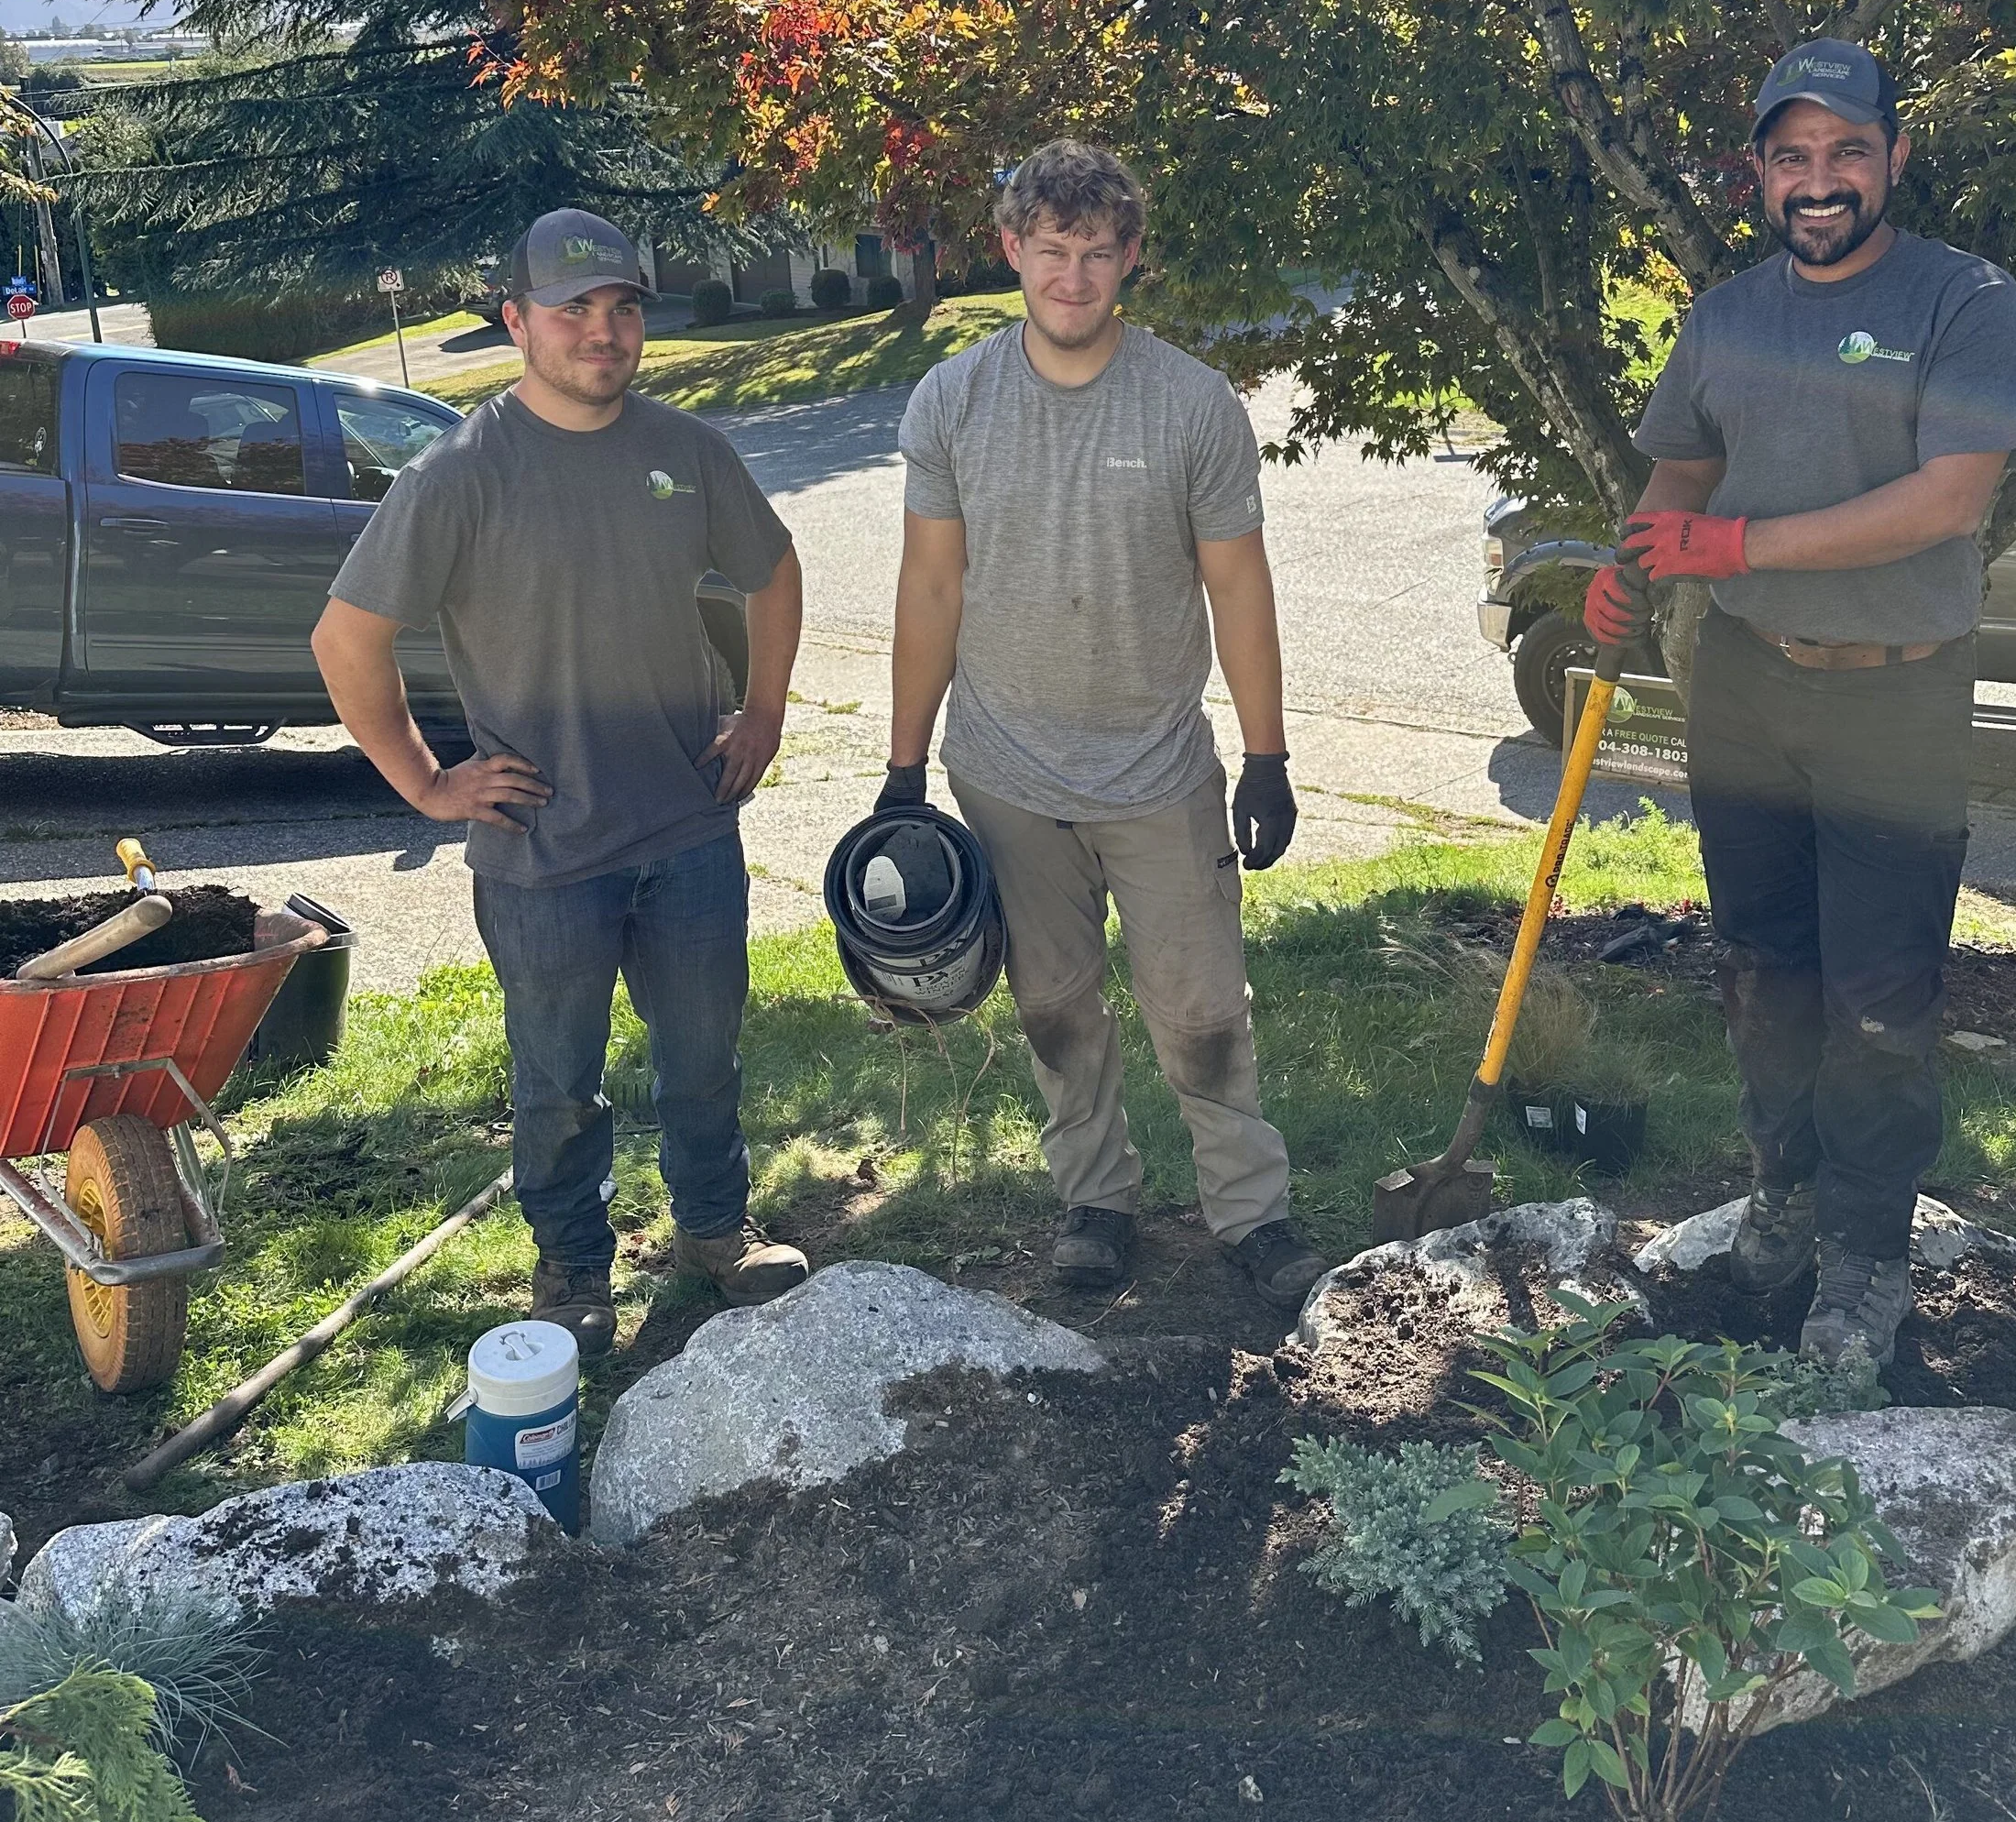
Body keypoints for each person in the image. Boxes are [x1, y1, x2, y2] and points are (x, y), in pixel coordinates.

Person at [1586, 41, 2016, 1370]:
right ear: (1758, 174)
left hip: (1895, 701)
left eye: (1848, 152)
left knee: (1877, 996)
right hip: (1743, 687)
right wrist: (1638, 567)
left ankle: (1865, 1260)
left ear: (1894, 158)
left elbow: (1949, 499)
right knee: (1763, 969)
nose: (1820, 180)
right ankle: (1783, 1195)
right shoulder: (1729, 314)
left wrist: (1734, 549)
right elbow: (1678, 474)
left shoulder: (1963, 299)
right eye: (1793, 157)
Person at [312, 208, 808, 1357]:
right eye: (573, 309)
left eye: (622, 307)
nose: (603, 330)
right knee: (557, 1086)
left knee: (702, 1056)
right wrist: (431, 785)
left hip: (687, 825)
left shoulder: (685, 449)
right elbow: (347, 642)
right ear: (517, 321)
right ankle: (575, 1271)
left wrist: (769, 710)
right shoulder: (458, 474)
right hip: (541, 851)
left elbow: (773, 572)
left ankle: (716, 1234)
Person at [880, 138, 1328, 1312]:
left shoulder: (1189, 403)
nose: (1070, 276)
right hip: (1005, 771)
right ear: (1011, 251)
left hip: (1159, 768)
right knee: (1055, 1004)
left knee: (1200, 1010)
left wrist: (1268, 754)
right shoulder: (953, 400)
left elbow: (1238, 586)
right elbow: (929, 589)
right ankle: (1095, 1199)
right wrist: (902, 768)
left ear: (1128, 258)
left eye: (1094, 252)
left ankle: (1251, 1213)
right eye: (1048, 250)